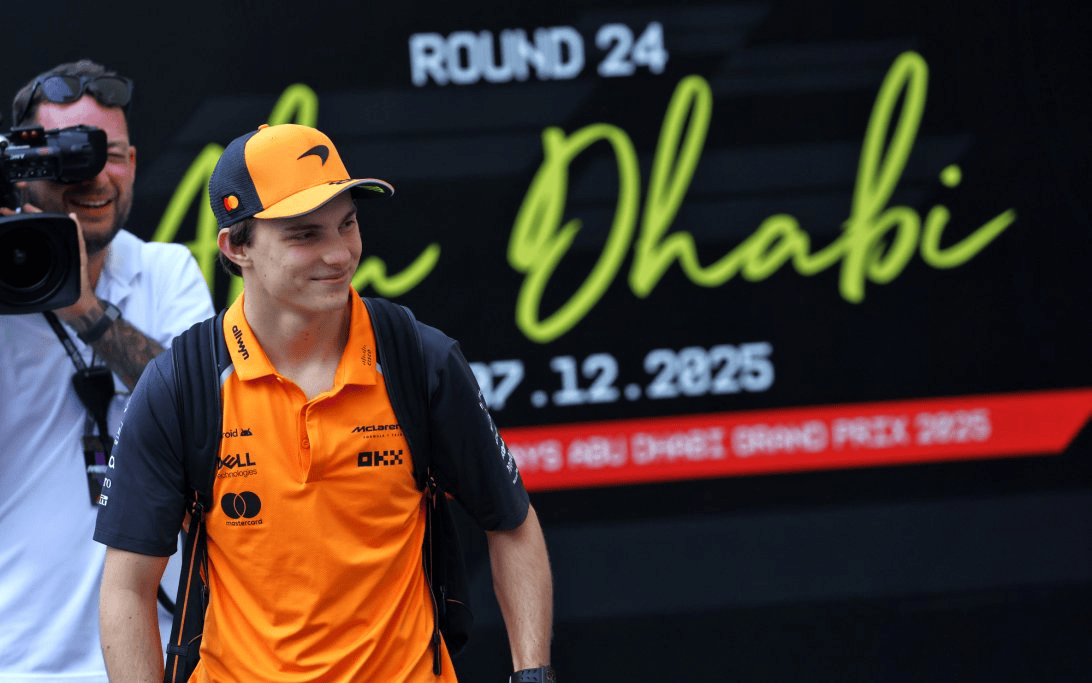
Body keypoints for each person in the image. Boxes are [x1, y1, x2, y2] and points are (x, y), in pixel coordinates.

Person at [94, 123, 555, 682]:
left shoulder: (417, 360)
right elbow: (127, 586)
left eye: (348, 223)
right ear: (237, 247)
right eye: (305, 234)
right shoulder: (182, 384)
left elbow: (512, 523)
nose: (339, 253)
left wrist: (533, 675)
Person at [0, 59, 214, 681]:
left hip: (164, 655)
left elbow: (205, 415)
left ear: (134, 163)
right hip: (21, 658)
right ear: (21, 168)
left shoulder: (167, 272)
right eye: (68, 155)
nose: (94, 173)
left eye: (110, 153)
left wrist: (85, 308)